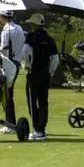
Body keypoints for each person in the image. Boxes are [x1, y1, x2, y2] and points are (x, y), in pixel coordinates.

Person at [23, 13, 59, 141]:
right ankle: (42, 129)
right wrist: (50, 72)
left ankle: (37, 129)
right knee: (43, 102)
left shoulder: (31, 37)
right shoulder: (50, 39)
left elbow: (26, 52)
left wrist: (27, 66)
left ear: (34, 24)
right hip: (45, 73)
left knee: (32, 102)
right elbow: (55, 58)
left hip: (33, 73)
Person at [0, 10, 25, 133]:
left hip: (8, 64)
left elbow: (5, 49)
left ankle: (10, 125)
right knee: (8, 94)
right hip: (17, 62)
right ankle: (10, 123)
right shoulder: (19, 28)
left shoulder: (6, 30)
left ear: (2, 16)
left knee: (7, 95)